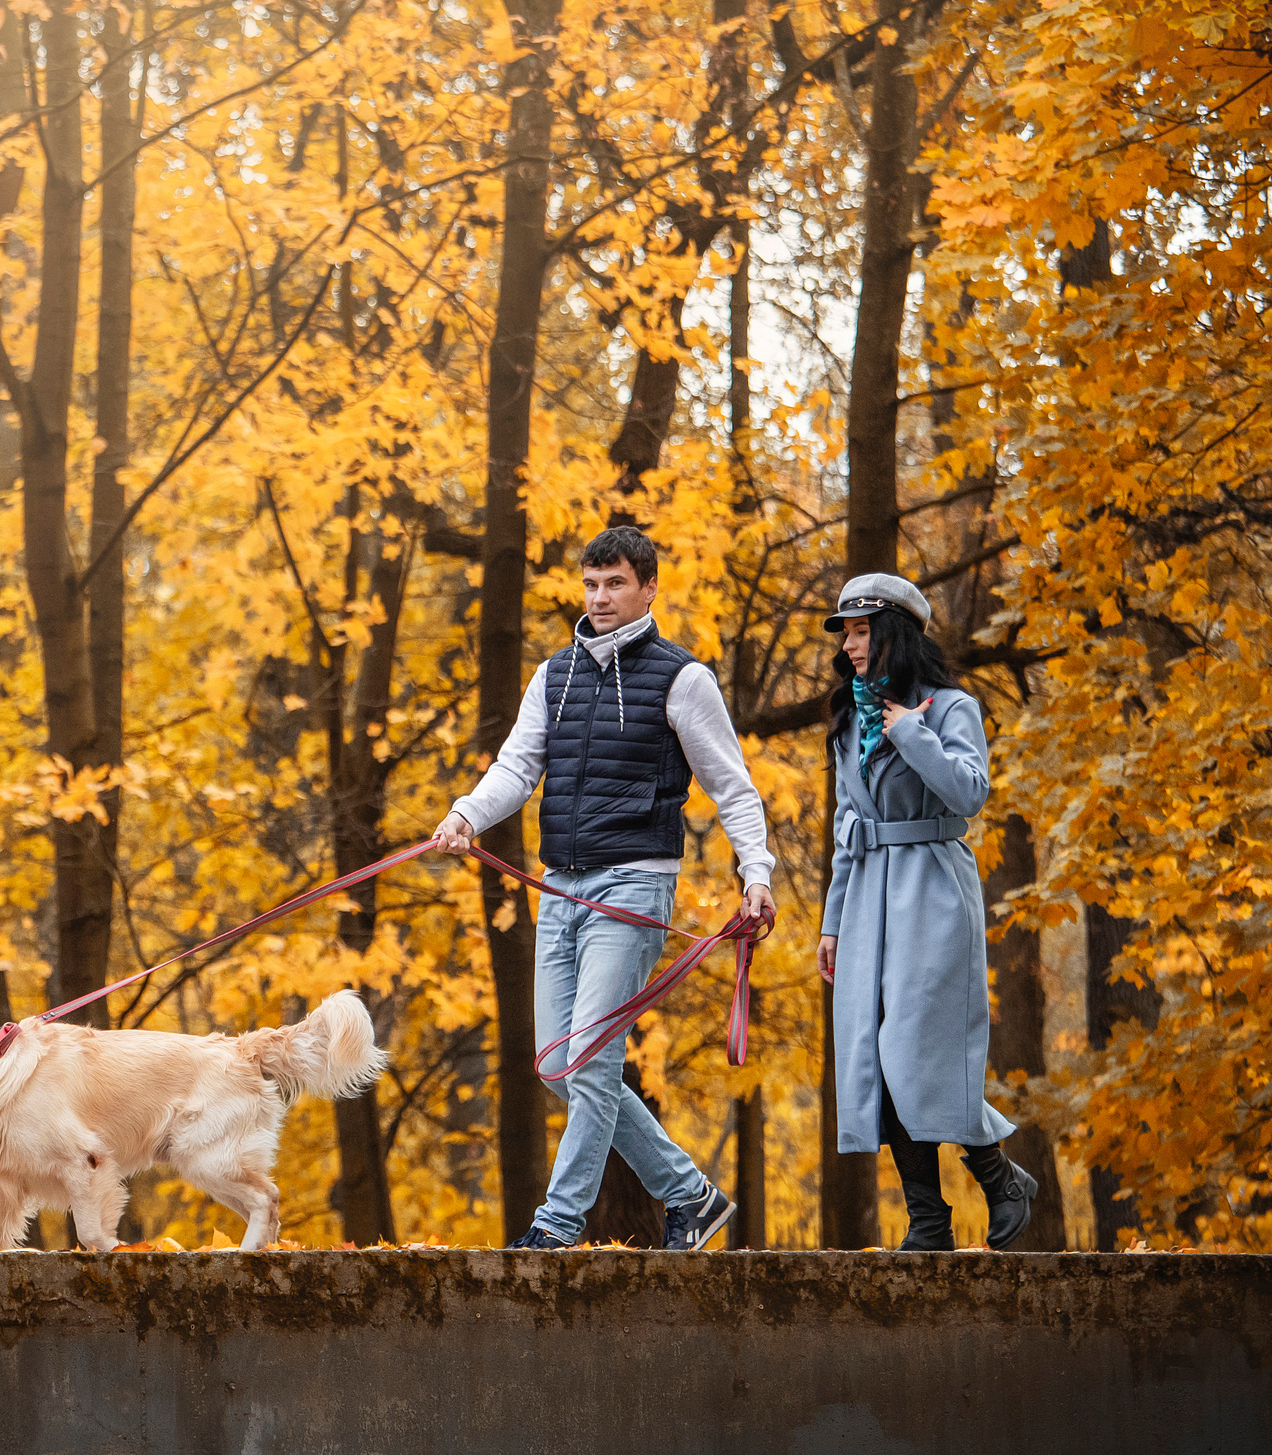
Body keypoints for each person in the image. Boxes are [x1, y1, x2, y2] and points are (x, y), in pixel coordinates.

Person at [435, 525, 779, 1252]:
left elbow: (734, 789)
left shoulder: (683, 679)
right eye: (592, 585)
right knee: (560, 1065)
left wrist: (757, 873)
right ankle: (692, 1193)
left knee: (590, 1058)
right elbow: (516, 768)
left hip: (632, 886)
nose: (601, 598)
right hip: (559, 886)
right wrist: (467, 812)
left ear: (648, 586)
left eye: (616, 584)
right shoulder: (552, 676)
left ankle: (557, 1226)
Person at [815, 572, 1038, 1250]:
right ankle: (930, 1220)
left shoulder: (950, 707)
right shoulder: (849, 718)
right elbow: (846, 823)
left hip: (934, 891)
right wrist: (830, 921)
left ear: (894, 634)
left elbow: (970, 792)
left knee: (920, 1054)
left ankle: (997, 1176)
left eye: (862, 630)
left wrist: (913, 733)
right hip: (866, 901)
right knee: (873, 1061)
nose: (851, 644)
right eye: (846, 632)